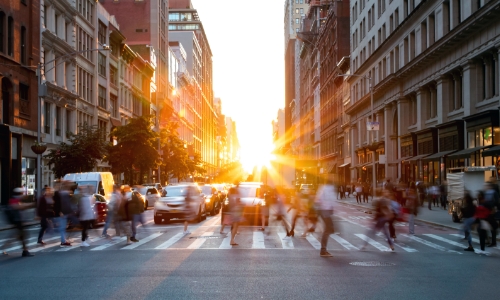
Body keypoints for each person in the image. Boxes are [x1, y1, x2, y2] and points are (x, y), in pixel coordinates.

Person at [5, 187, 33, 257]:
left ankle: (24, 251)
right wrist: (30, 205)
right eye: (21, 193)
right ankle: (25, 251)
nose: (22, 194)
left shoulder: (16, 199)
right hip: (17, 221)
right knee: (22, 236)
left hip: (18, 221)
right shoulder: (13, 200)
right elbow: (17, 207)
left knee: (19, 236)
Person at [315, 179, 336, 257]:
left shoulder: (322, 188)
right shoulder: (329, 189)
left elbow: (318, 200)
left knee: (329, 229)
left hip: (323, 210)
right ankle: (323, 250)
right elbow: (331, 200)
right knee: (328, 229)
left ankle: (323, 249)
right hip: (325, 211)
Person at [53, 181, 73, 247]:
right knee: (62, 228)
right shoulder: (56, 193)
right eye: (58, 185)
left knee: (63, 227)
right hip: (61, 213)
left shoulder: (58, 193)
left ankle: (63, 240)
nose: (59, 186)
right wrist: (60, 212)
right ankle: (63, 241)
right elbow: (56, 204)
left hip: (62, 212)